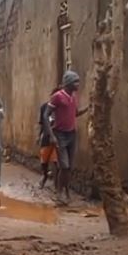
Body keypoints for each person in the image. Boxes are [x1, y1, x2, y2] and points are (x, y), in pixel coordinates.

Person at [43, 71, 89, 205]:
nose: (78, 85)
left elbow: (75, 113)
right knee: (64, 165)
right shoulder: (57, 97)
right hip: (60, 134)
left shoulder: (73, 97)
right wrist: (51, 135)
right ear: (68, 83)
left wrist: (88, 107)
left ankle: (65, 192)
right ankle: (59, 193)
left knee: (68, 167)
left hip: (71, 134)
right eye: (76, 82)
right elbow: (46, 115)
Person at [38, 87, 60, 189]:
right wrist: (38, 136)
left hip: (57, 138)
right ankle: (44, 176)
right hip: (46, 137)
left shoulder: (61, 109)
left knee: (56, 162)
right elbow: (42, 123)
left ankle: (56, 185)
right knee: (44, 161)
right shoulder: (44, 107)